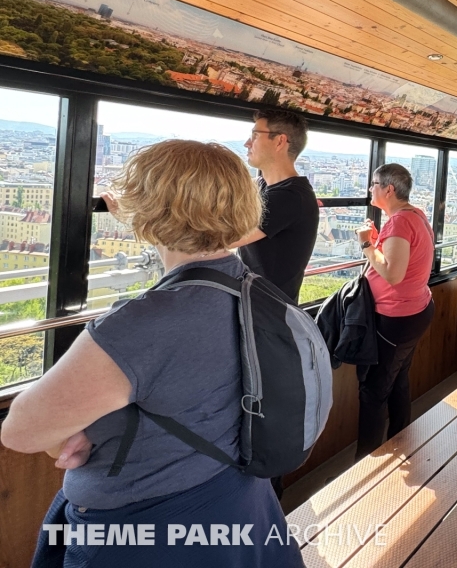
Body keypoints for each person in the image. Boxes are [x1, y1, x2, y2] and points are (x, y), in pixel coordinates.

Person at [2, 140, 301, 567]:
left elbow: (19, 431)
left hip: (149, 534)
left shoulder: (143, 324)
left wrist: (71, 437)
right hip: (244, 504)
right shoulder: (256, 292)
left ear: (148, 213)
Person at [354, 163, 435, 459]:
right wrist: (377, 243)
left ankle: (365, 464)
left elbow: (392, 274)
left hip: (396, 318)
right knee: (398, 379)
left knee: (373, 392)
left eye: (374, 184)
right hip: (414, 312)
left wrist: (366, 243)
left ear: (389, 189)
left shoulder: (399, 221)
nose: (370, 189)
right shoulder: (415, 215)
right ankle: (401, 441)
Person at [234, 109, 319, 303]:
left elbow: (230, 237)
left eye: (255, 136)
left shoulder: (291, 196)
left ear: (280, 141)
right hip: (255, 300)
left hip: (270, 310)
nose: (247, 143)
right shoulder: (263, 186)